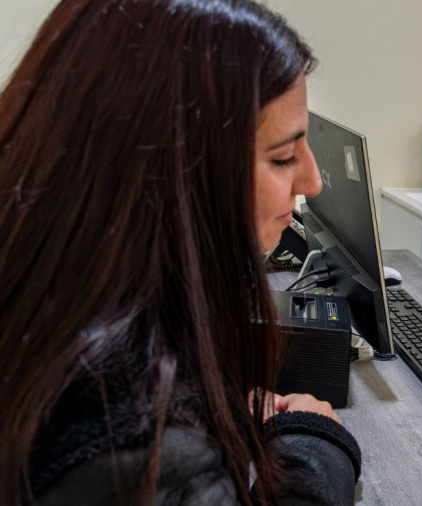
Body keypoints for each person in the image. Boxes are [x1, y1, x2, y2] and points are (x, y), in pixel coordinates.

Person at [0, 0, 360, 504]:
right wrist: (316, 442)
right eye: (283, 156)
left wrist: (219, 408)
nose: (313, 181)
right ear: (171, 174)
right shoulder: (134, 444)